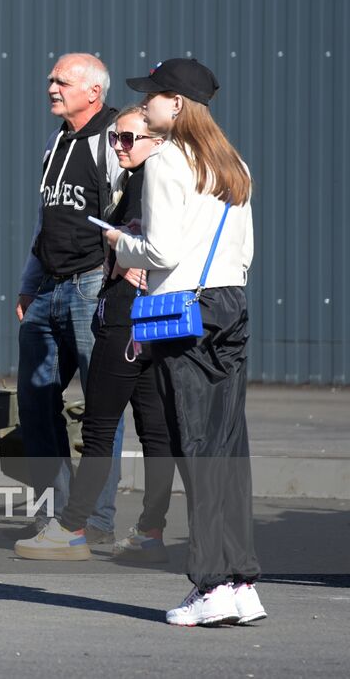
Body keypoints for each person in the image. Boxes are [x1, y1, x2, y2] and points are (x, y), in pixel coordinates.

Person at [107, 58, 262, 627]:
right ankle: (242, 580)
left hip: (184, 311)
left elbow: (163, 253)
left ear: (176, 104)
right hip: (231, 303)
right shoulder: (233, 162)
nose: (144, 105)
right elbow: (243, 252)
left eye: (152, 95)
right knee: (228, 446)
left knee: (195, 445)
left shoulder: (169, 159)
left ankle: (211, 585)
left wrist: (121, 246)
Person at [15, 106, 176, 562]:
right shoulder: (65, 145)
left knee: (104, 421)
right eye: (116, 139)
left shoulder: (153, 177)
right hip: (115, 301)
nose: (118, 145)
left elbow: (159, 245)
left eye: (127, 138)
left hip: (119, 304)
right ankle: (148, 530)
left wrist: (125, 248)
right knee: (151, 425)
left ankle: (77, 525)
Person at [15, 53, 126, 543]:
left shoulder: (113, 139)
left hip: (90, 285)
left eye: (62, 80)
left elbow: (128, 217)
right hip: (47, 290)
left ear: (92, 92)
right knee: (37, 401)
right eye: (51, 78)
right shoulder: (55, 142)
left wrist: (118, 279)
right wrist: (28, 281)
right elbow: (45, 222)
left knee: (101, 406)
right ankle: (58, 515)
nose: (51, 86)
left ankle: (96, 519)